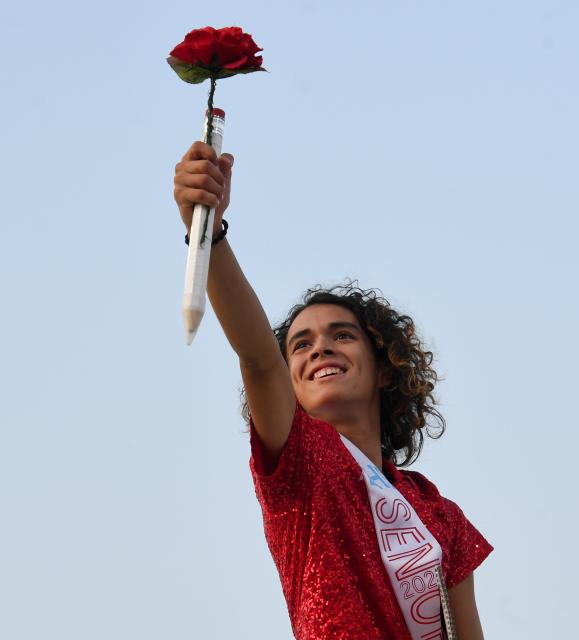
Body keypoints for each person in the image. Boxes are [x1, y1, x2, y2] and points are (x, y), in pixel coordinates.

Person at [173, 141, 493, 639]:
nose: (319, 349)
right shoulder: (299, 461)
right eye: (300, 345)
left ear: (386, 369)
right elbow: (257, 359)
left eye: (341, 335)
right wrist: (207, 230)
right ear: (290, 385)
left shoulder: (439, 515)